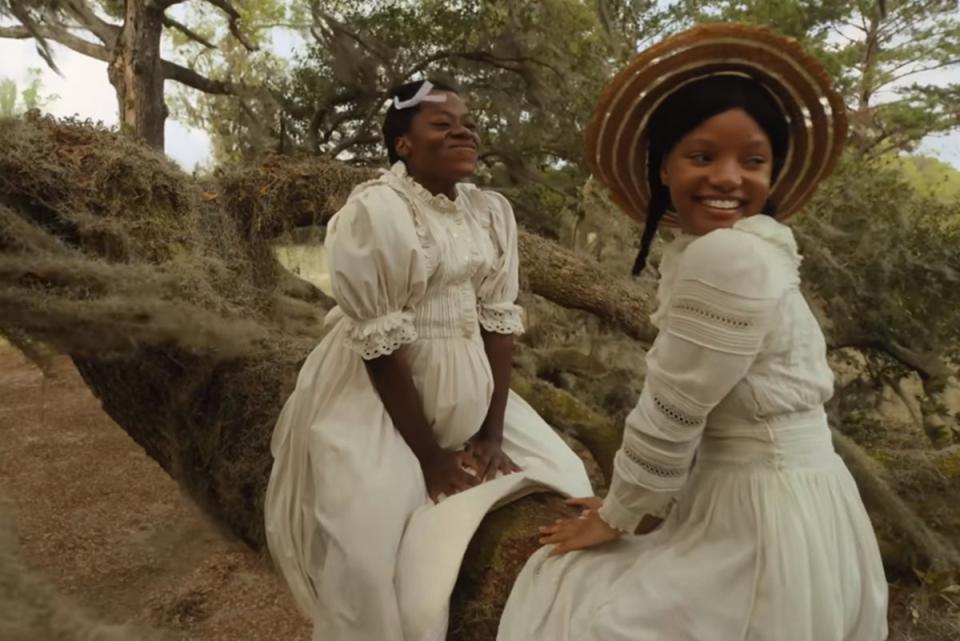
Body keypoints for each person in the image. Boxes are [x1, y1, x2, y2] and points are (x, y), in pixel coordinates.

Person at [497, 23, 888, 641]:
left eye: (752, 161)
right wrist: (642, 505)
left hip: (760, 519)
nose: (729, 178)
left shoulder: (729, 257)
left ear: (775, 171)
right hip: (798, 505)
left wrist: (620, 515)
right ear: (663, 169)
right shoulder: (746, 250)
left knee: (572, 607)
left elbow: (674, 408)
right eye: (702, 156)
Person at [264, 78, 592, 641]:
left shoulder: (490, 213)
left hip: (474, 384)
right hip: (384, 397)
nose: (463, 130)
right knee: (365, 551)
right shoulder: (377, 212)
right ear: (404, 146)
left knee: (568, 477)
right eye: (441, 124)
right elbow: (383, 348)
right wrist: (432, 459)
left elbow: (497, 322)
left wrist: (491, 432)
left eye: (468, 122)